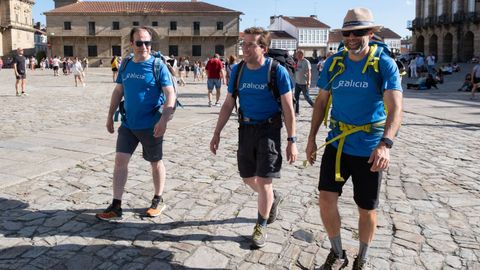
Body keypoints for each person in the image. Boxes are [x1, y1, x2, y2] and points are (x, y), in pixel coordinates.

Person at [305, 8, 403, 269]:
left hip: (370, 149)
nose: (351, 38)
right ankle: (337, 253)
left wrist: (386, 144)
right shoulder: (335, 63)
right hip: (337, 145)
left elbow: (395, 109)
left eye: (358, 32)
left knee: (366, 209)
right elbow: (321, 102)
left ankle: (363, 256)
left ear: (371, 33)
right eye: (347, 32)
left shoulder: (383, 64)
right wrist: (311, 138)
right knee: (325, 199)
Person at [210, 27, 297, 249]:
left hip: (269, 131)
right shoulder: (238, 70)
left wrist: (291, 140)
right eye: (243, 44)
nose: (244, 48)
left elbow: (288, 108)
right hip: (245, 129)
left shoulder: (277, 71)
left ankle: (261, 224)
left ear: (263, 49)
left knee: (265, 180)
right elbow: (229, 103)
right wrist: (217, 132)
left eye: (250, 44)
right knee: (248, 177)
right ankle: (271, 198)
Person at [96, 26, 176, 221]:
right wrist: (109, 116)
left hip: (152, 125)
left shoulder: (158, 66)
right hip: (129, 124)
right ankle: (116, 206)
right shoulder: (126, 64)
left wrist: (164, 119)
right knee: (120, 162)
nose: (144, 46)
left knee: (155, 162)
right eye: (139, 42)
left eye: (147, 42)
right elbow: (118, 91)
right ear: (131, 44)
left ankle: (158, 199)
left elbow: (170, 93)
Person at [294, 50, 314, 115]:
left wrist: (309, 82)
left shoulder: (306, 62)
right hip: (297, 83)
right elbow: (296, 70)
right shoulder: (297, 61)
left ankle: (315, 107)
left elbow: (309, 72)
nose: (299, 56)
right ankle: (296, 111)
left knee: (307, 97)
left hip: (304, 83)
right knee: (296, 98)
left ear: (303, 55)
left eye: (300, 54)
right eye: (298, 54)